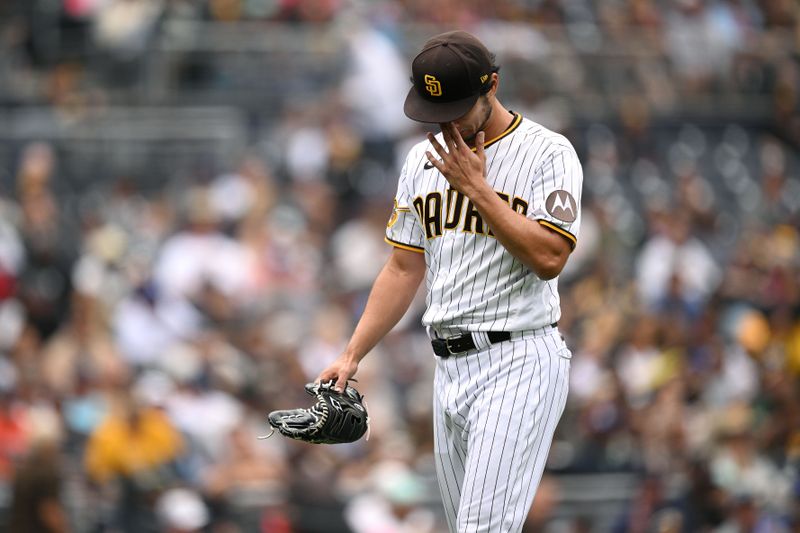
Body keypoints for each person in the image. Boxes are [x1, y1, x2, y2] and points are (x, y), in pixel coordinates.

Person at [317, 30, 583, 533]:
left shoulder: (549, 153)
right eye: (435, 112)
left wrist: (478, 190)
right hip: (448, 368)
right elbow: (402, 268)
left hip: (519, 358)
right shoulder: (421, 159)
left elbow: (550, 258)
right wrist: (353, 353)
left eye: (458, 109)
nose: (446, 124)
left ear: (493, 86)